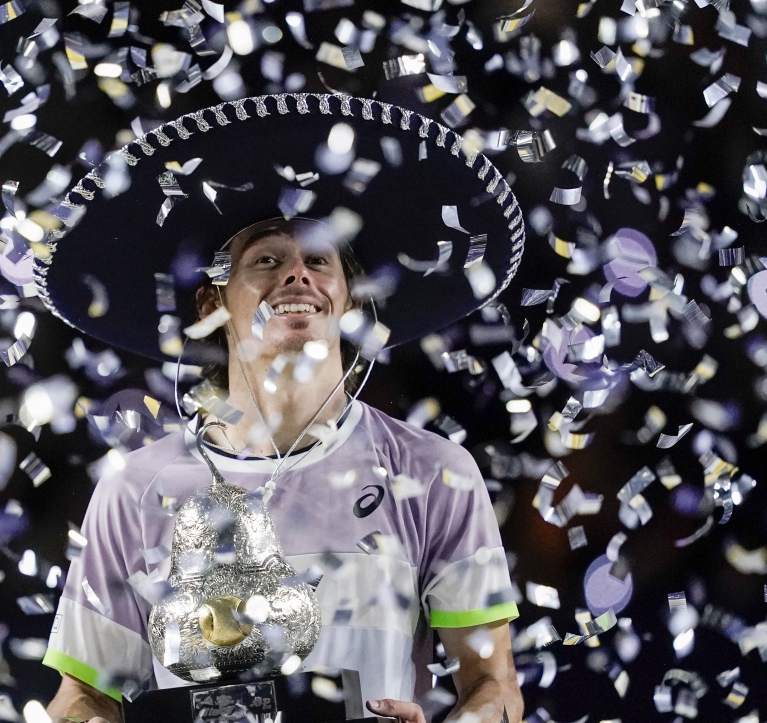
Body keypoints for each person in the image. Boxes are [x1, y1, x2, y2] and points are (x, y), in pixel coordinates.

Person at [31, 92, 528, 722]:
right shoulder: (134, 490)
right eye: (267, 259)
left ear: (349, 302)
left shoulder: (433, 472)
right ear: (212, 305)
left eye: (320, 260)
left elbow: (494, 686)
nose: (299, 275)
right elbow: (82, 694)